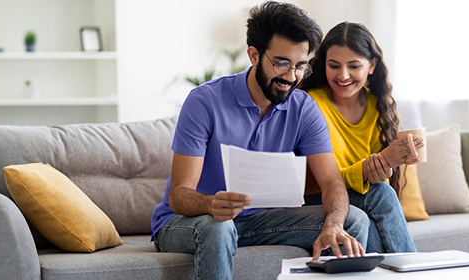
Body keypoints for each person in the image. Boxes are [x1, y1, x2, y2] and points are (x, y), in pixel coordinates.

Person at [150, 3, 369, 279]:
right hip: (189, 221)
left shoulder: (304, 108)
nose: (292, 77)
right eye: (281, 63)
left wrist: (334, 224)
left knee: (353, 219)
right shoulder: (205, 101)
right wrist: (211, 204)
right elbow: (179, 195)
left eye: (301, 66)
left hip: (258, 222)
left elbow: (331, 182)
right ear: (254, 55)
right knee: (219, 226)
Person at [299, 21, 422, 254]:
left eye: (353, 66)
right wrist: (369, 170)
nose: (343, 75)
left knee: (372, 218)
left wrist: (384, 167)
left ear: (372, 65)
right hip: (320, 198)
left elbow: (373, 185)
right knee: (382, 194)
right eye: (334, 66)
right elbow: (324, 181)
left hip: (362, 200)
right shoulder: (311, 104)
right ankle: (413, 268)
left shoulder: (378, 107)